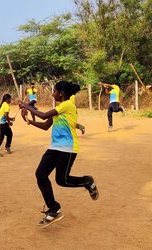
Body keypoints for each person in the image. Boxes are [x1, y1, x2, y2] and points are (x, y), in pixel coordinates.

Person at [19, 80, 99, 228]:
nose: (52, 94)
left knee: (62, 181)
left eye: (54, 91)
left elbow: (43, 116)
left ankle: (87, 181)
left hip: (67, 148)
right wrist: (28, 120)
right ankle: (54, 209)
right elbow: (44, 125)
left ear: (61, 93)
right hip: (54, 147)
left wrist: (27, 106)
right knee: (40, 174)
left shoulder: (67, 105)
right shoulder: (59, 108)